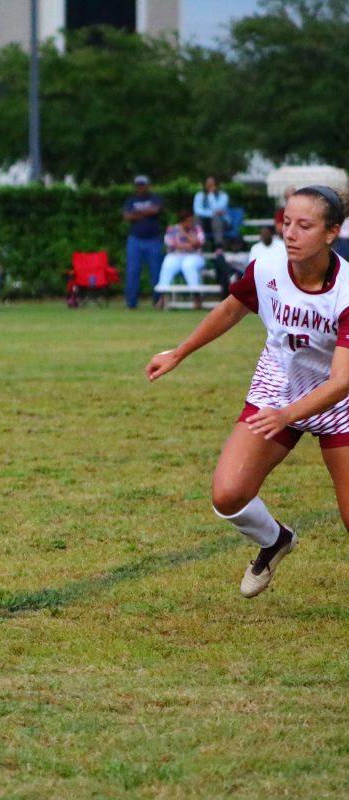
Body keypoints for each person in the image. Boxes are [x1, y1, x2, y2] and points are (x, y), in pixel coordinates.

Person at [144, 185, 349, 598]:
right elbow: (231, 308)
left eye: (304, 225)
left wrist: (288, 416)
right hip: (279, 386)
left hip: (339, 401)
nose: (291, 233)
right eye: (286, 222)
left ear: (332, 233)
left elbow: (342, 380)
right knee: (229, 495)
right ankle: (275, 540)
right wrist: (179, 352)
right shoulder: (266, 269)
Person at [123, 175, 165, 309]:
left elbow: (156, 209)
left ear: (148, 185)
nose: (140, 187)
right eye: (138, 185)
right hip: (135, 240)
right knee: (132, 271)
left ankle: (158, 301)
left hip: (154, 240)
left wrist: (137, 213)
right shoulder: (131, 200)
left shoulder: (155, 198)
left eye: (143, 185)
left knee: (156, 272)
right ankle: (131, 303)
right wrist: (147, 212)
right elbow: (127, 216)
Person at [154, 208, 206, 305]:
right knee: (168, 264)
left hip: (194, 256)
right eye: (188, 221)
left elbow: (198, 243)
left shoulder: (197, 229)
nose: (190, 223)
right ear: (182, 221)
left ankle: (197, 297)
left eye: (191, 220)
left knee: (188, 265)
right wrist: (189, 246)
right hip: (176, 255)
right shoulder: (172, 229)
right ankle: (162, 298)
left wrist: (186, 234)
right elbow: (171, 244)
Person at [193, 175, 230, 248]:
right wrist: (212, 213)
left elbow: (217, 208)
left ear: (216, 185)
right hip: (206, 222)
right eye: (208, 183)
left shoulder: (223, 196)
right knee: (197, 218)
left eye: (212, 184)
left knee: (216, 217)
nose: (210, 186)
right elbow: (197, 211)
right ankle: (198, 243)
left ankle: (219, 246)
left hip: (222, 222)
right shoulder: (199, 195)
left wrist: (211, 195)